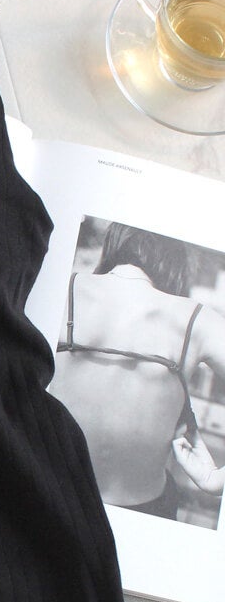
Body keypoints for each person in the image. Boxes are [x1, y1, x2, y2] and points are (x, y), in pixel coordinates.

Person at [50, 221, 225, 520]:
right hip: (144, 513)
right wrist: (216, 479)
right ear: (176, 261)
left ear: (114, 242)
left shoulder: (61, 288)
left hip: (46, 498)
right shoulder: (198, 319)